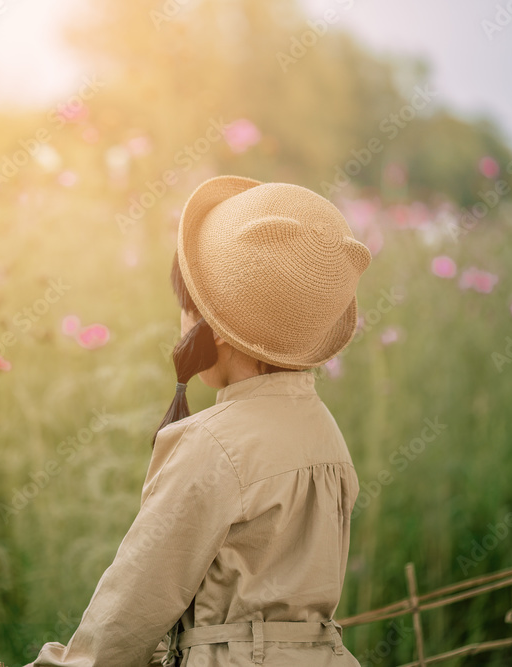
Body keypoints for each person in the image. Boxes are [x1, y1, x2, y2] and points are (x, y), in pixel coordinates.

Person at [25, 175, 371, 666]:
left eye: (188, 307)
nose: (182, 320)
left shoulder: (214, 444)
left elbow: (128, 614)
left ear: (216, 328)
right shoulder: (326, 433)